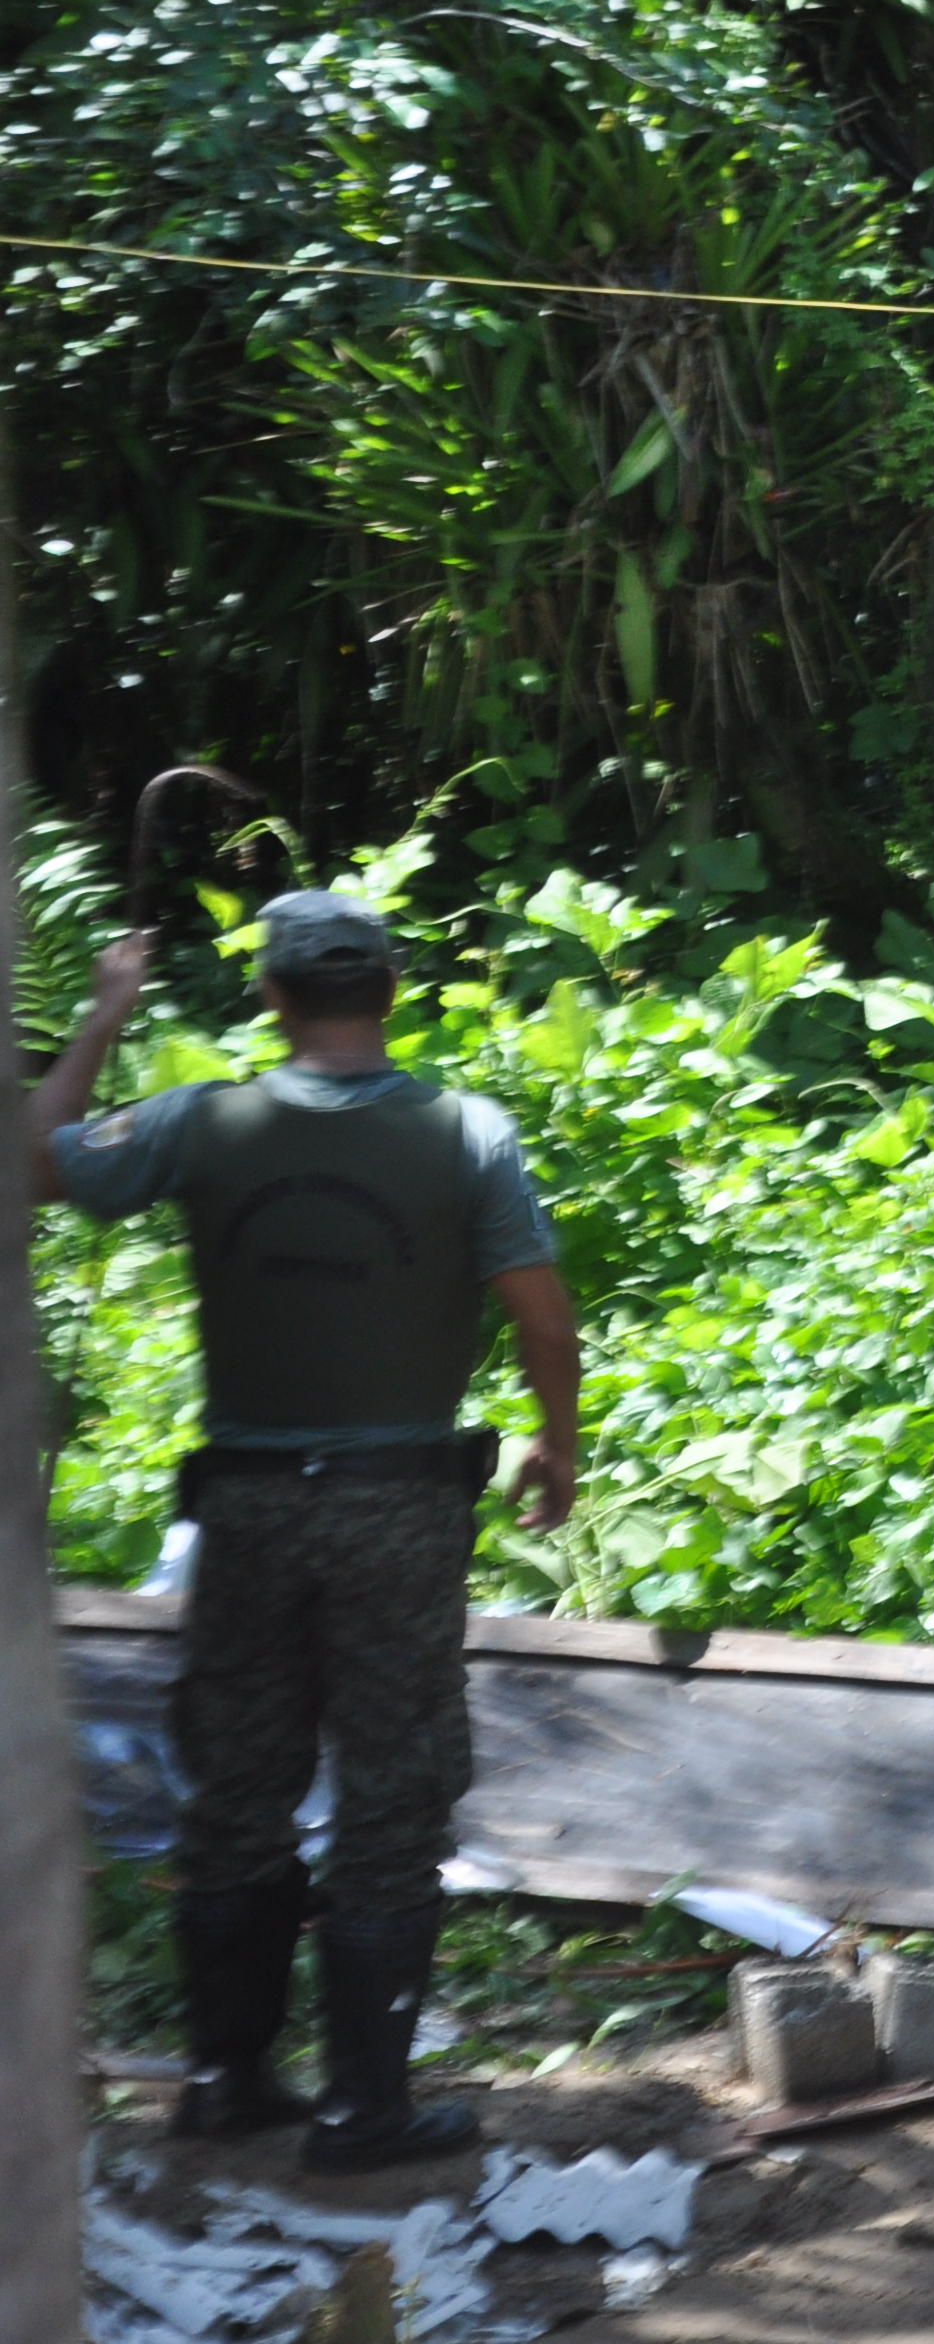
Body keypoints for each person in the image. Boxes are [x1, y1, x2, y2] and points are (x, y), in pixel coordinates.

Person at [32, 895, 584, 2173]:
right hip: (395, 1504)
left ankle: (226, 2080)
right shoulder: (467, 1132)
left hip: (246, 1506)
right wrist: (558, 1438)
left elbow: (38, 1157)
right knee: (393, 1789)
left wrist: (101, 1020)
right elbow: (542, 1317)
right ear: (390, 992)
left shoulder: (195, 1120)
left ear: (273, 1000)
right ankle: (362, 2111)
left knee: (239, 1783)